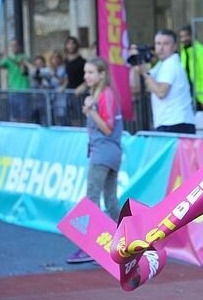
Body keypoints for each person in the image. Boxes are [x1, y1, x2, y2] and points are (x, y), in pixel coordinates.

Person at [66, 57, 123, 263]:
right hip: (109, 152)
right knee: (110, 200)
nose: (86, 76)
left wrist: (91, 110)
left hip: (104, 153)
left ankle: (89, 247)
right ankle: (128, 240)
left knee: (92, 198)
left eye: (90, 72)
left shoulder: (105, 95)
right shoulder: (100, 94)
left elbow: (107, 128)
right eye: (85, 72)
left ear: (101, 74)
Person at [130, 29, 196, 134]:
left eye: (166, 44)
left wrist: (145, 73)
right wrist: (135, 63)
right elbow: (136, 88)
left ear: (174, 47)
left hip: (175, 123)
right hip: (169, 122)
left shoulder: (171, 64)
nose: (161, 48)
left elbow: (161, 92)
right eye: (158, 43)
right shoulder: (162, 65)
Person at [0, 39, 30, 122]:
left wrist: (7, 57)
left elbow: (21, 66)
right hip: (12, 91)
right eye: (12, 45)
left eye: (15, 45)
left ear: (19, 46)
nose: (14, 47)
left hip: (24, 90)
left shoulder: (24, 57)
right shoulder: (7, 59)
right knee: (14, 116)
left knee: (24, 116)